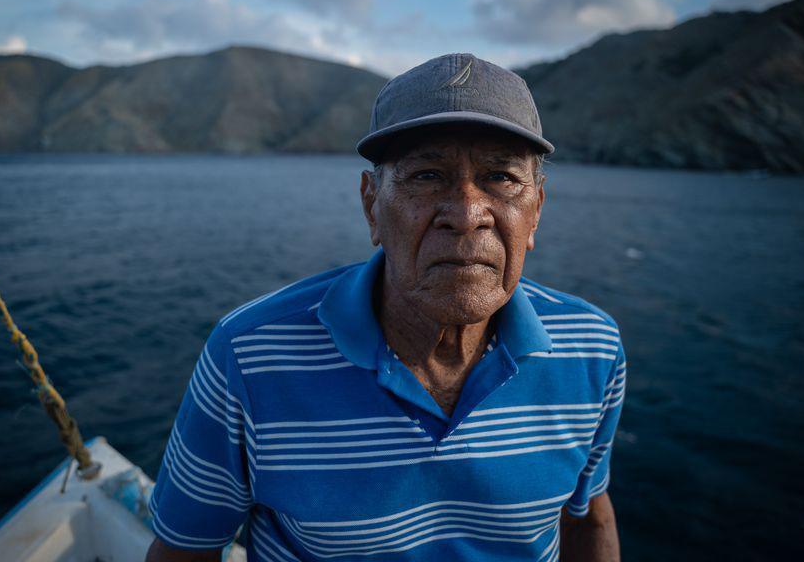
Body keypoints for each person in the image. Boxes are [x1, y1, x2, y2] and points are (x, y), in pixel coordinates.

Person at [146, 53, 625, 562]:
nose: (465, 215)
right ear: (371, 203)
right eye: (426, 175)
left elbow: (588, 513)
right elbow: (185, 551)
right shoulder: (249, 355)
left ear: (536, 213)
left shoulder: (592, 348)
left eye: (501, 177)